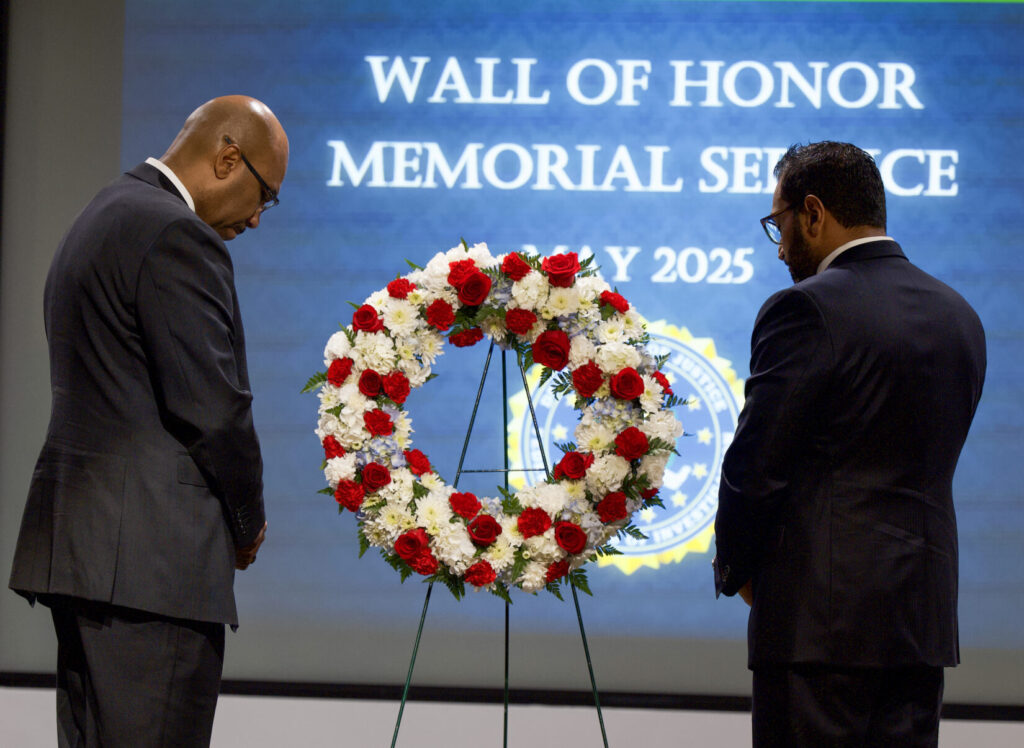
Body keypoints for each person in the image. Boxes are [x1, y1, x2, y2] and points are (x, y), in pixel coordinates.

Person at [8, 95, 288, 746]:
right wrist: (247, 522)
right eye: (263, 194)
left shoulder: (102, 212)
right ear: (227, 158)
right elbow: (214, 409)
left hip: (85, 557)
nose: (254, 217)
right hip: (151, 571)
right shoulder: (174, 234)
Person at [713, 141, 986, 746]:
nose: (780, 246)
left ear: (813, 212)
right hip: (921, 625)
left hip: (817, 627)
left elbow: (757, 465)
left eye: (778, 224)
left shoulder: (805, 308)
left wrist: (739, 567)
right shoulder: (959, 314)